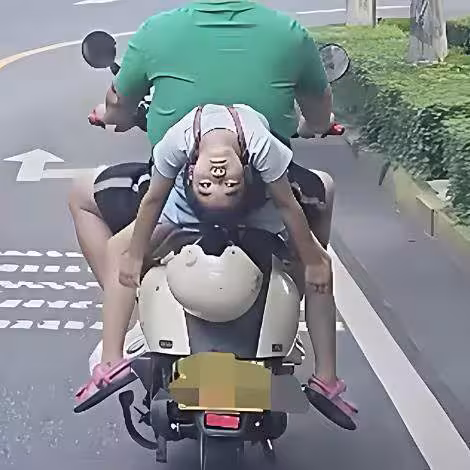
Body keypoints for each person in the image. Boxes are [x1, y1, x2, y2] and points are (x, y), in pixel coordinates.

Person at [74, 103, 358, 431]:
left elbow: (286, 204)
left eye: (227, 186)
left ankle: (325, 377)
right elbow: (153, 201)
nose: (219, 177)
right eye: (210, 186)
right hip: (184, 212)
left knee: (319, 267)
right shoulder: (221, 145)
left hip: (253, 210)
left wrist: (312, 259)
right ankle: (112, 362)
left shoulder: (235, 147)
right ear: (189, 172)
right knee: (122, 253)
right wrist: (135, 254)